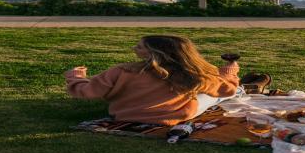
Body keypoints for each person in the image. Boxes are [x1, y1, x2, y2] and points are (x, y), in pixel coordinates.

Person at [64, 35, 241, 126]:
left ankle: (242, 88)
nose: (134, 48)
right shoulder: (191, 74)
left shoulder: (121, 71)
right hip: (175, 117)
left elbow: (86, 92)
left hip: (127, 116)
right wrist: (230, 72)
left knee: (208, 91)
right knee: (213, 96)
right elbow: (227, 89)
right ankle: (244, 89)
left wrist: (76, 77)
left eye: (139, 47)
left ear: (153, 54)